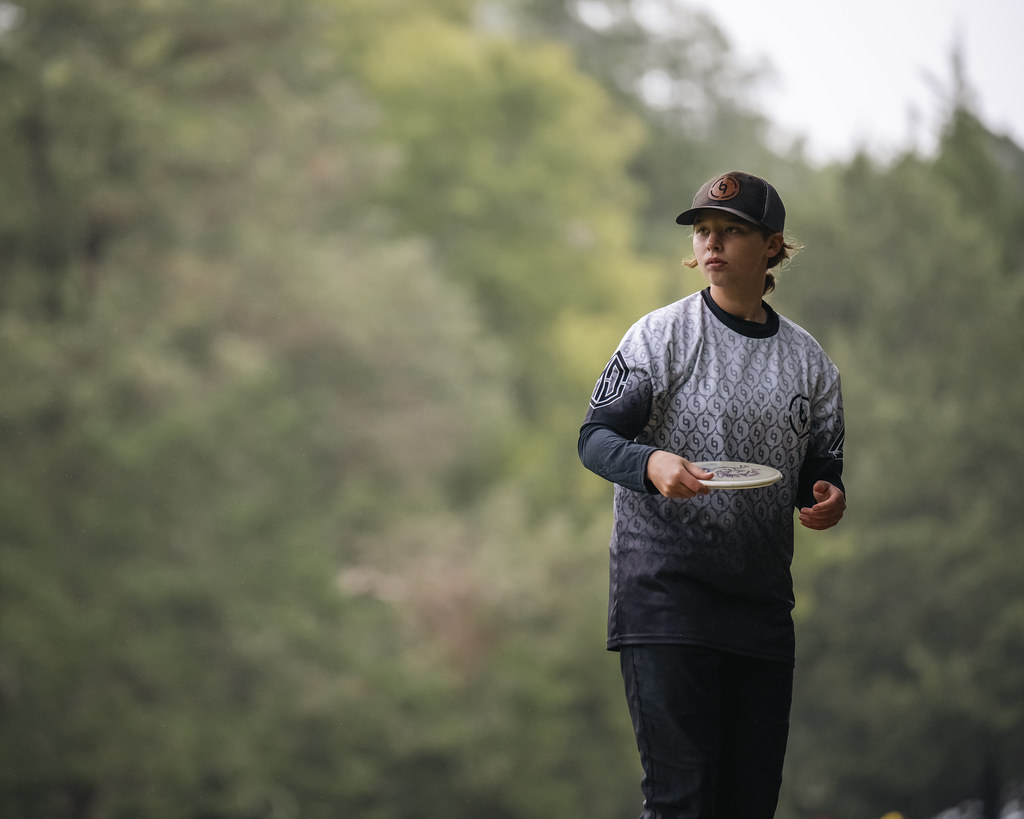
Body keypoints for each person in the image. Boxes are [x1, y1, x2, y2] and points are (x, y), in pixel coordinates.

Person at [578, 171, 846, 819]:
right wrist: (650, 464)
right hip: (665, 598)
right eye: (704, 231)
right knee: (683, 802)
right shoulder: (659, 337)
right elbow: (594, 439)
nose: (713, 242)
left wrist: (827, 496)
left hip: (759, 607)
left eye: (733, 230)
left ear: (772, 246)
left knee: (748, 806)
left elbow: (822, 466)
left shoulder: (810, 364)